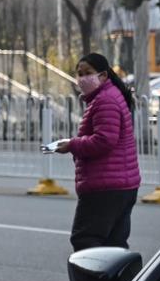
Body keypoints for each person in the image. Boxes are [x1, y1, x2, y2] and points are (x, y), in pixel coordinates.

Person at [54, 53, 141, 250]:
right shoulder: (106, 97)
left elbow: (104, 140)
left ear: (103, 75)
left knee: (86, 241)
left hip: (105, 186)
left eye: (88, 73)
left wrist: (72, 145)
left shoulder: (105, 101)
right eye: (80, 74)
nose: (83, 78)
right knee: (114, 245)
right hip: (120, 185)